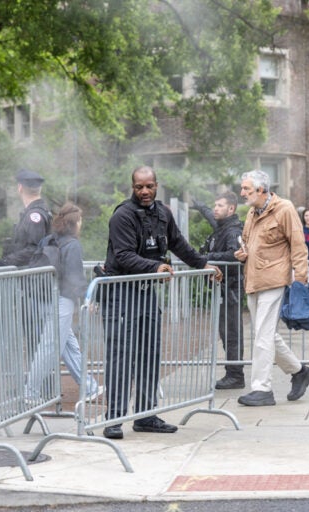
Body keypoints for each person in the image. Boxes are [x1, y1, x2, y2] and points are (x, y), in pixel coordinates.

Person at [100, 166, 222, 439]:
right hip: (121, 294)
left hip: (145, 294)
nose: (144, 191)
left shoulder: (163, 213)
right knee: (121, 357)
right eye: (139, 187)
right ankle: (114, 418)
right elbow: (123, 256)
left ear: (157, 185)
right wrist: (155, 267)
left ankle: (146, 416)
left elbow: (178, 244)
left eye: (149, 186)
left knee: (149, 354)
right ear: (132, 188)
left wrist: (204, 264)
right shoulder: (123, 216)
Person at [233, 170, 309, 407]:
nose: (242, 193)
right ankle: (299, 371)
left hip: (274, 279)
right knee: (265, 334)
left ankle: (262, 389)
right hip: (253, 279)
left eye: (246, 189)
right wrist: (242, 253)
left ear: (261, 190)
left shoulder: (285, 208)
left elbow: (298, 245)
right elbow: (247, 242)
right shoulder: (251, 212)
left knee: (262, 335)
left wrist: (301, 279)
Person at [29, 203, 101, 400]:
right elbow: (74, 277)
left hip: (42, 297)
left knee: (69, 347)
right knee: (50, 347)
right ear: (76, 222)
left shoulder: (48, 240)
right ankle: (31, 392)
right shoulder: (73, 245)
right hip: (62, 300)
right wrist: (88, 299)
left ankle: (89, 387)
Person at [192, 192, 246, 390]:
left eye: (220, 205)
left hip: (231, 288)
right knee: (226, 332)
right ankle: (233, 373)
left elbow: (234, 255)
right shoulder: (223, 226)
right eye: (214, 205)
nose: (215, 208)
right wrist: (201, 207)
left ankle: (235, 375)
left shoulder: (232, 231)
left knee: (232, 333)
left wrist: (207, 257)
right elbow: (211, 216)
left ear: (231, 209)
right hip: (224, 288)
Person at [0, 169, 52, 266]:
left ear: (20, 188)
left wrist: (6, 261)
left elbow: (33, 249)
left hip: (33, 277)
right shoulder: (37, 212)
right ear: (40, 189)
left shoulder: (35, 215)